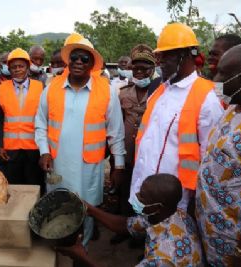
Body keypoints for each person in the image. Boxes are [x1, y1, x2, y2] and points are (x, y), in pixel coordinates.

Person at [35, 37, 125, 246]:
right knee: (59, 208)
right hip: (57, 165)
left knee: (87, 209)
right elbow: (40, 124)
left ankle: (81, 252)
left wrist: (118, 166)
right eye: (74, 57)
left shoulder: (106, 91)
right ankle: (60, 247)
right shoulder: (52, 87)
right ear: (68, 61)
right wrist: (44, 151)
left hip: (88, 167)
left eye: (85, 59)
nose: (78, 62)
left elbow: (116, 132)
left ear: (92, 64)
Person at [130, 23, 224, 212]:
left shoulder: (208, 98)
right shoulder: (160, 91)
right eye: (160, 55)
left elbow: (210, 159)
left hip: (176, 202)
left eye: (168, 54)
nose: (161, 61)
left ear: (189, 54)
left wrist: (194, 202)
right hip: (143, 191)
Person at [58, 174, 204, 267]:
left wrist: (81, 257)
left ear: (159, 206)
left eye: (142, 196)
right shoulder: (174, 215)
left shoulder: (164, 256)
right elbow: (125, 225)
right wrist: (89, 209)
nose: (137, 197)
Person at [196, 43, 241, 267]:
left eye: (222, 72)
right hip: (214, 235)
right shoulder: (232, 108)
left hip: (236, 247)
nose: (215, 76)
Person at [0, 48, 44, 189]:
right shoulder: (1, 88)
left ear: (27, 67)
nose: (17, 70)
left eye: (21, 66)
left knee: (34, 185)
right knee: (14, 187)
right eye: (13, 67)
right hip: (10, 149)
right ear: (8, 69)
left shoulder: (41, 87)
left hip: (34, 147)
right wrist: (0, 144)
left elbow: (45, 119)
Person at [118, 44, 157, 216]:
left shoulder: (159, 93)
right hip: (127, 150)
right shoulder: (123, 93)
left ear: (153, 69)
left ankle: (140, 227)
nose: (139, 72)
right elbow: (118, 123)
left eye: (144, 68)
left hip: (148, 153)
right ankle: (123, 223)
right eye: (136, 68)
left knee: (145, 191)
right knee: (124, 187)